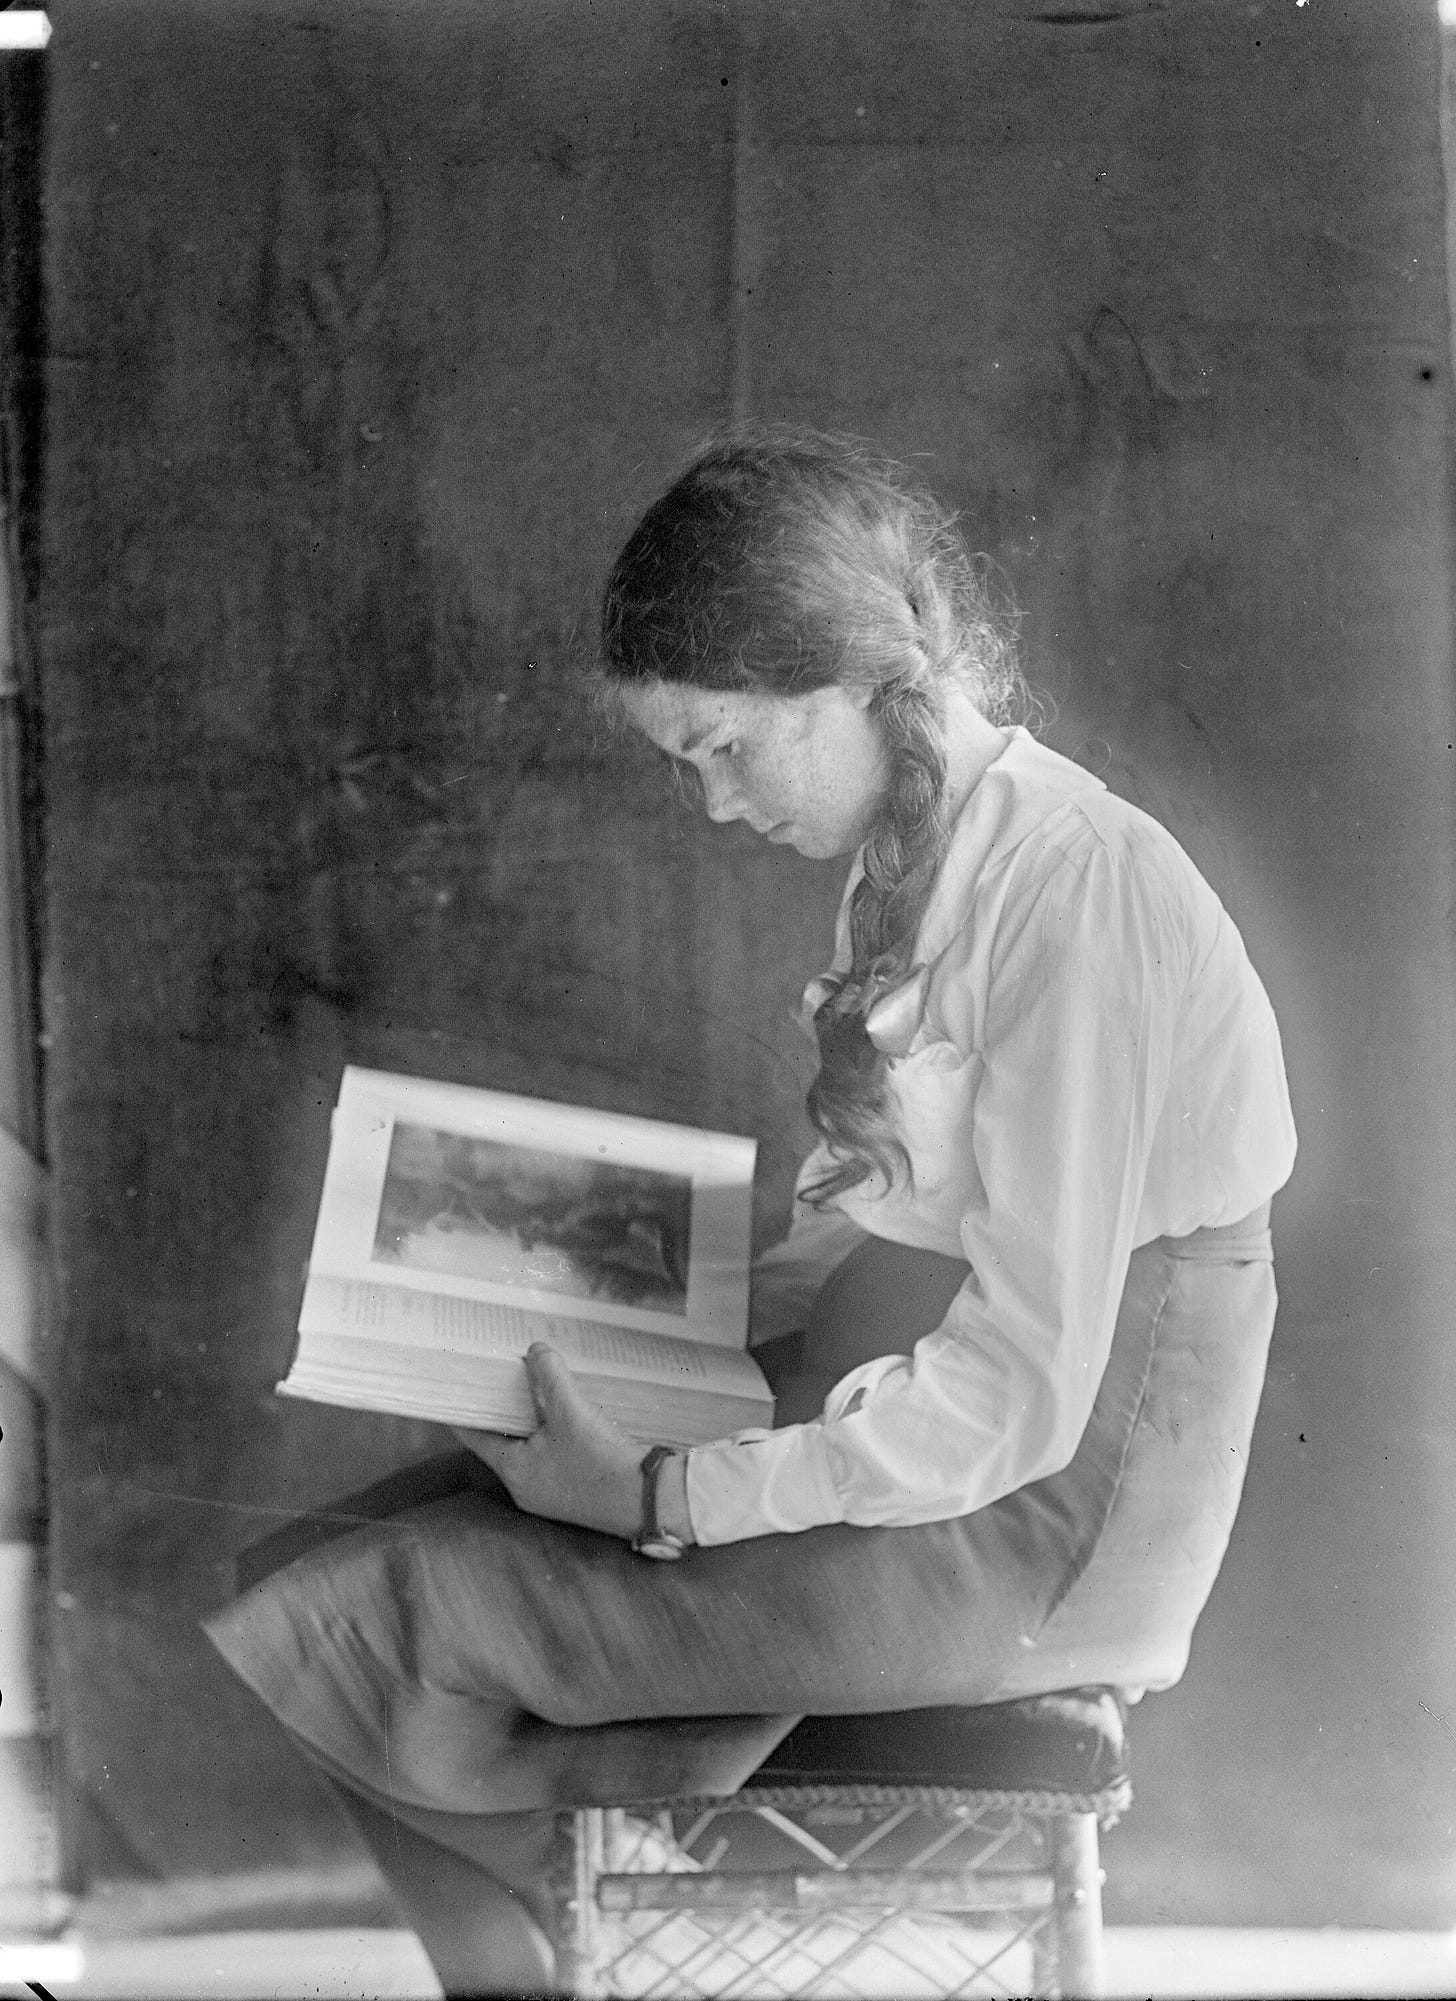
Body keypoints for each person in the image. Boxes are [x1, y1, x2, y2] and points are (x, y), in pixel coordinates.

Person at [205, 427, 1296, 1992]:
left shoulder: (1083, 891)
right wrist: (633, 1314)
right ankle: (549, 1960)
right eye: (683, 761)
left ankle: (589, 1951)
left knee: (390, 1614)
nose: (713, 806)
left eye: (725, 745)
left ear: (858, 686)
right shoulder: (905, 858)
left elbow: (1022, 1392)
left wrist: (667, 1495)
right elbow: (865, 1222)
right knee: (312, 1558)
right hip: (909, 1404)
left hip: (1044, 1511)